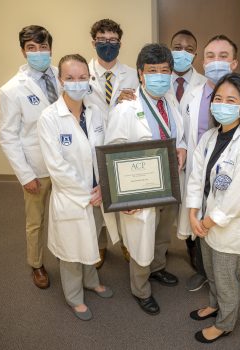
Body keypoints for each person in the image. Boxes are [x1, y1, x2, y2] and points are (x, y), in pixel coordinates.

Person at [178, 34, 240, 292]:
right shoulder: (192, 96)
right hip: (199, 174)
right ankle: (203, 272)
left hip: (231, 181)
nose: (215, 61)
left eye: (223, 56)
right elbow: (183, 133)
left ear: (234, 63)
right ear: (203, 61)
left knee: (221, 242)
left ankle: (220, 287)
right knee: (196, 232)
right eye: (210, 56)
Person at [104, 43, 187, 315]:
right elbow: (112, 152)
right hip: (140, 191)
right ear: (141, 74)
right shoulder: (125, 109)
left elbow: (179, 135)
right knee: (141, 239)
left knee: (162, 233)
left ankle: (157, 269)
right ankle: (140, 289)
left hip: (169, 185)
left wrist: (182, 147)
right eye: (153, 71)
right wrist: (121, 197)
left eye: (165, 70)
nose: (160, 76)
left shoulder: (170, 102)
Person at [37, 54, 119, 321]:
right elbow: (57, 166)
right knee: (72, 250)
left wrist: (103, 188)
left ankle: (91, 280)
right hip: (73, 197)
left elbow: (105, 152)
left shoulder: (95, 113)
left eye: (82, 77)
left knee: (92, 240)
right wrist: (88, 193)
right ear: (60, 81)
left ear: (89, 79)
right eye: (70, 78)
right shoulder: (49, 118)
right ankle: (74, 297)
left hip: (97, 194)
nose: (76, 83)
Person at [186, 73, 240, 344]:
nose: (222, 104)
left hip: (226, 228)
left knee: (226, 278)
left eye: (231, 100)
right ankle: (214, 305)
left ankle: (226, 323)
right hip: (204, 222)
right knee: (211, 272)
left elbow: (238, 198)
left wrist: (206, 222)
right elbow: (196, 177)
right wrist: (193, 213)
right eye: (218, 98)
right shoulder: (208, 137)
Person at [0, 25, 59, 289]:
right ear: (23, 51)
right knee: (36, 221)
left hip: (65, 163)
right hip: (37, 168)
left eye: (42, 47)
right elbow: (8, 137)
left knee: (69, 214)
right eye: (31, 48)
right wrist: (25, 175)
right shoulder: (11, 90)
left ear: (50, 49)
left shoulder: (63, 76)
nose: (38, 52)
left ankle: (71, 258)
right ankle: (36, 264)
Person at [87, 18, 140, 268]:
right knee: (96, 200)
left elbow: (141, 109)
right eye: (102, 40)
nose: (107, 45)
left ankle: (127, 245)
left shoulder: (132, 75)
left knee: (123, 198)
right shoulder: (82, 74)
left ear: (120, 43)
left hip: (121, 145)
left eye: (112, 41)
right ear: (93, 42)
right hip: (92, 146)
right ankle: (100, 246)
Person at [166, 29, 207, 272]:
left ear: (195, 54)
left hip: (193, 156)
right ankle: (159, 247)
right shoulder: (157, 80)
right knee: (163, 207)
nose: (182, 52)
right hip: (165, 154)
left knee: (193, 202)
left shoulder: (205, 84)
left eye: (189, 48)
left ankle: (192, 246)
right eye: (177, 46)